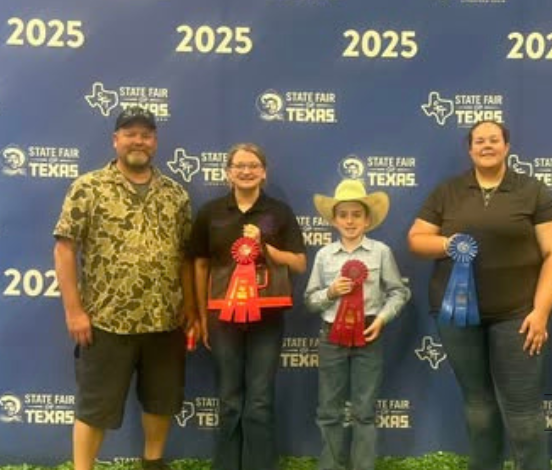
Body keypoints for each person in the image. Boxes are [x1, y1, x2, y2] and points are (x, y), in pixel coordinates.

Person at [408, 120, 552, 470]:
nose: (486, 146)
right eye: (479, 141)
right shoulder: (448, 191)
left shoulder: (533, 191)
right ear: (470, 150)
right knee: (478, 408)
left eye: (494, 140)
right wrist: (449, 244)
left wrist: (541, 311)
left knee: (524, 413)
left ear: (507, 146)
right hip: (457, 316)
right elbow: (417, 239)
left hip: (518, 316)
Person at [53, 106, 195, 470]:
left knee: (161, 402)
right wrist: (74, 310)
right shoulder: (88, 187)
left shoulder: (175, 194)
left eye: (146, 135)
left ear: (155, 142)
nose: (139, 141)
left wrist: (190, 309)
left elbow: (184, 257)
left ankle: (152, 462)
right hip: (106, 321)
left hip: (165, 321)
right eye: (130, 133)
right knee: (95, 406)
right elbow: (65, 248)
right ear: (115, 140)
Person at [188, 143, 307, 470]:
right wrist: (201, 315)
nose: (246, 171)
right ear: (228, 172)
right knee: (228, 399)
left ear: (263, 172)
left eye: (253, 165)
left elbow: (298, 263)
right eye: (239, 165)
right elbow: (199, 265)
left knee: (259, 399)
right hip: (221, 317)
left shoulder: (279, 212)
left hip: (267, 318)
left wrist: (264, 247)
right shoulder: (211, 212)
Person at [305, 179, 411, 470]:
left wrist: (381, 319)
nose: (350, 221)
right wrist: (329, 293)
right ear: (334, 220)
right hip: (331, 336)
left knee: (364, 410)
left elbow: (399, 291)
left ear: (367, 220)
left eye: (356, 214)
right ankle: (330, 466)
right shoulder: (324, 256)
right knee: (329, 409)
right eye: (343, 215)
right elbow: (310, 301)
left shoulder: (381, 252)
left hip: (369, 334)